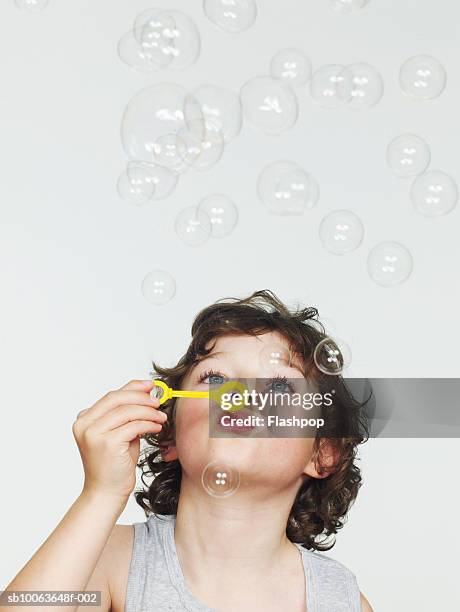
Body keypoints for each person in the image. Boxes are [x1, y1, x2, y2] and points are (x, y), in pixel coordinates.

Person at [4, 290, 373, 611]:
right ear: (170, 437)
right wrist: (101, 494)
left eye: (278, 388)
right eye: (215, 379)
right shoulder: (113, 558)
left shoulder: (338, 598)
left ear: (323, 453)